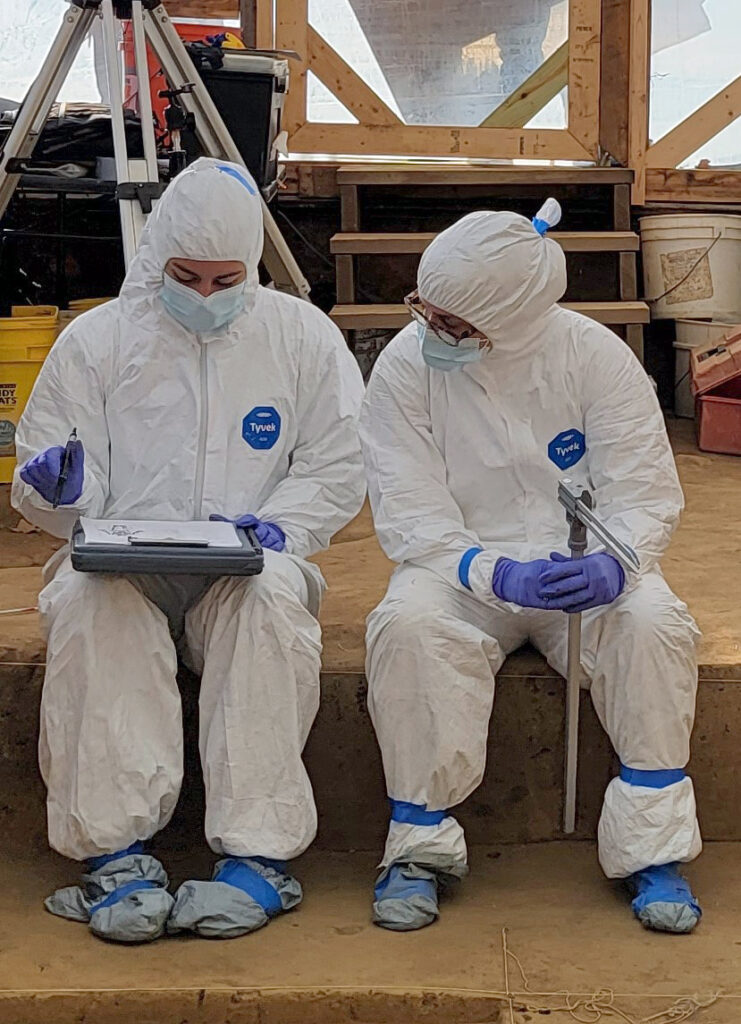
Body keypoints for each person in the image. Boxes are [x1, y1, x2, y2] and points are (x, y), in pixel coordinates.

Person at [13, 158, 366, 943]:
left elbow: (340, 457)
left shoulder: (299, 336)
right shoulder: (99, 341)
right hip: (126, 565)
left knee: (271, 598)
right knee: (86, 597)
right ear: (157, 257)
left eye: (224, 279)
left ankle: (256, 856)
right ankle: (115, 852)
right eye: (186, 277)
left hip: (243, 563)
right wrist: (57, 487)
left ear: (252, 267)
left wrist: (286, 525)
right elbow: (51, 478)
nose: (204, 296)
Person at [359, 205, 702, 935]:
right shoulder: (404, 365)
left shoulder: (593, 355)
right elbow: (408, 507)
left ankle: (652, 845)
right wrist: (487, 570)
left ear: (513, 318)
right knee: (408, 626)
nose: (433, 331)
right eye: (426, 311)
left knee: (653, 623)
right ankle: (417, 845)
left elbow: (641, 489)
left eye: (454, 322)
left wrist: (616, 562)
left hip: (580, 563)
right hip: (457, 567)